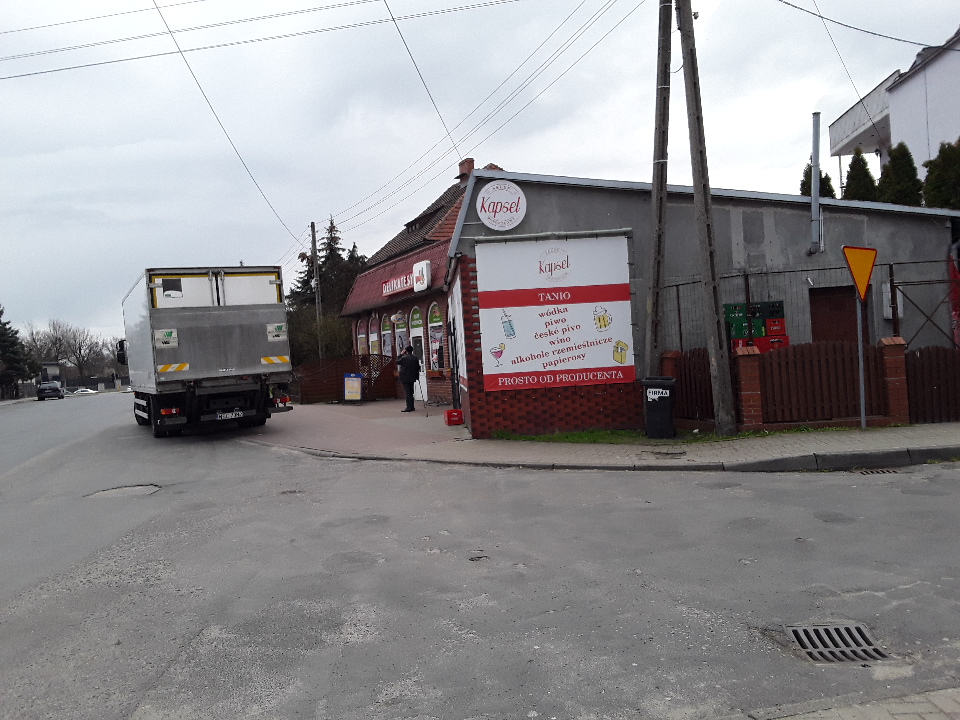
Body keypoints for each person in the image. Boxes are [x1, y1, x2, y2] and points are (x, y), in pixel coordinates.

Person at [397, 345, 420, 412]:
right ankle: (412, 406)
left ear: (406, 351)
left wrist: (401, 354)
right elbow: (417, 367)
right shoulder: (415, 358)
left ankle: (409, 407)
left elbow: (397, 361)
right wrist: (417, 376)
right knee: (411, 392)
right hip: (412, 377)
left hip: (405, 377)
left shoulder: (404, 358)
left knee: (407, 393)